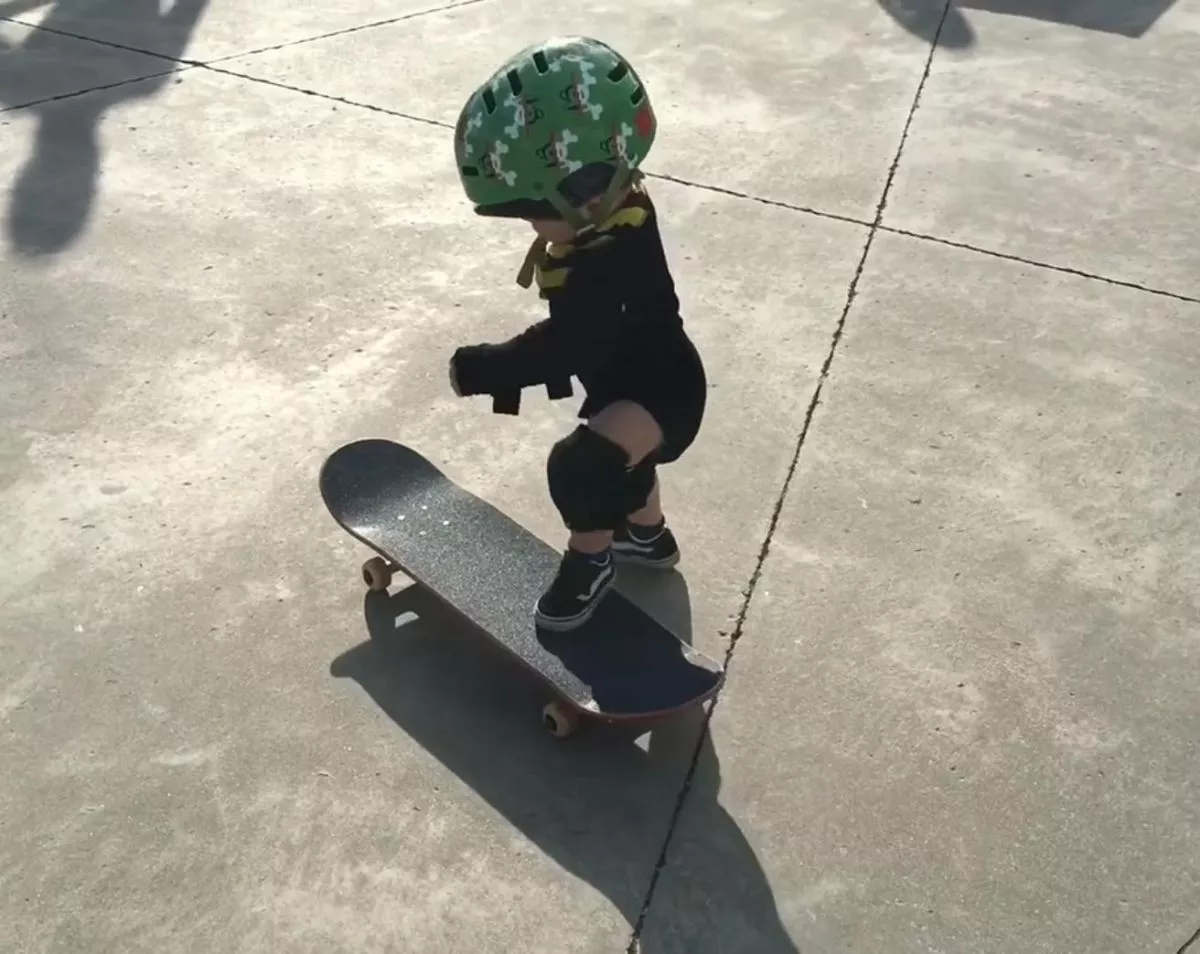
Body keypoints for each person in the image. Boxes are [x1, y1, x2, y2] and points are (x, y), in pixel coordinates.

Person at [447, 36, 707, 631]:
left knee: (583, 465)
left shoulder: (602, 256)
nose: (528, 226)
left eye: (529, 210)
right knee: (625, 462)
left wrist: (484, 368)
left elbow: (570, 344)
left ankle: (590, 564)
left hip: (661, 392)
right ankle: (646, 537)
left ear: (583, 190)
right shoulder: (621, 208)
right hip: (638, 379)